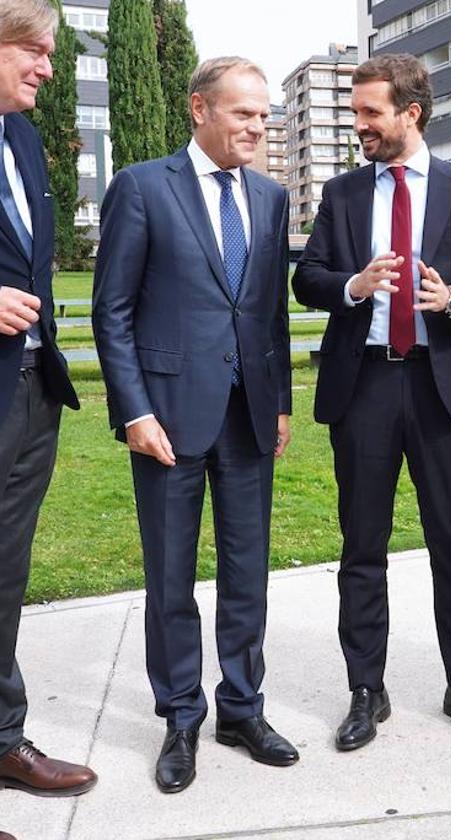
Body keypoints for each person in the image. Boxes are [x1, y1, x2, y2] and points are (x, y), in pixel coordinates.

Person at [292, 54, 451, 751]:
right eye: (355, 112)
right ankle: (366, 690)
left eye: (369, 113)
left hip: (441, 383)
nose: (358, 125)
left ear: (410, 114)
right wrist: (354, 287)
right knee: (363, 544)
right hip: (363, 386)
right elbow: (309, 279)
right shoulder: (343, 193)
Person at [92, 57, 295, 793]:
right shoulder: (143, 187)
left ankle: (243, 707)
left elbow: (269, 312)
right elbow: (110, 312)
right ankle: (182, 715)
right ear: (198, 108)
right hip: (167, 423)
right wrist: (134, 412)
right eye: (243, 112)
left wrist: (280, 402)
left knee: (249, 576)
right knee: (171, 579)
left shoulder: (271, 199)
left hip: (249, 419)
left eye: (264, 115)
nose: (256, 126)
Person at [0, 0, 96, 800]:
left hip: (30, 391)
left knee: (4, 573)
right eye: (32, 49)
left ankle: (1, 739)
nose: (46, 67)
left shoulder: (22, 137)